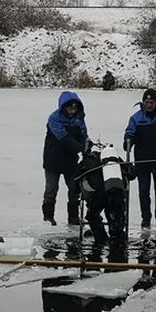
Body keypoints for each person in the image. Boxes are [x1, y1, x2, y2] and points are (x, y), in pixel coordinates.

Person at [123, 88, 156, 230]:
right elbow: (129, 131)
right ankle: (145, 219)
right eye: (146, 102)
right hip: (142, 161)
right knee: (144, 191)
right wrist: (128, 140)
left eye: (151, 102)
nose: (149, 105)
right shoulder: (136, 117)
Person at [42, 90, 88, 226]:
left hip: (71, 161)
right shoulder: (54, 118)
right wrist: (80, 147)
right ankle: (48, 218)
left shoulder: (79, 119)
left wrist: (88, 146)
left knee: (74, 189)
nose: (72, 111)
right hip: (53, 160)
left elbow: (84, 135)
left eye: (75, 108)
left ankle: (73, 218)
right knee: (51, 189)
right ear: (63, 107)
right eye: (69, 108)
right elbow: (63, 138)